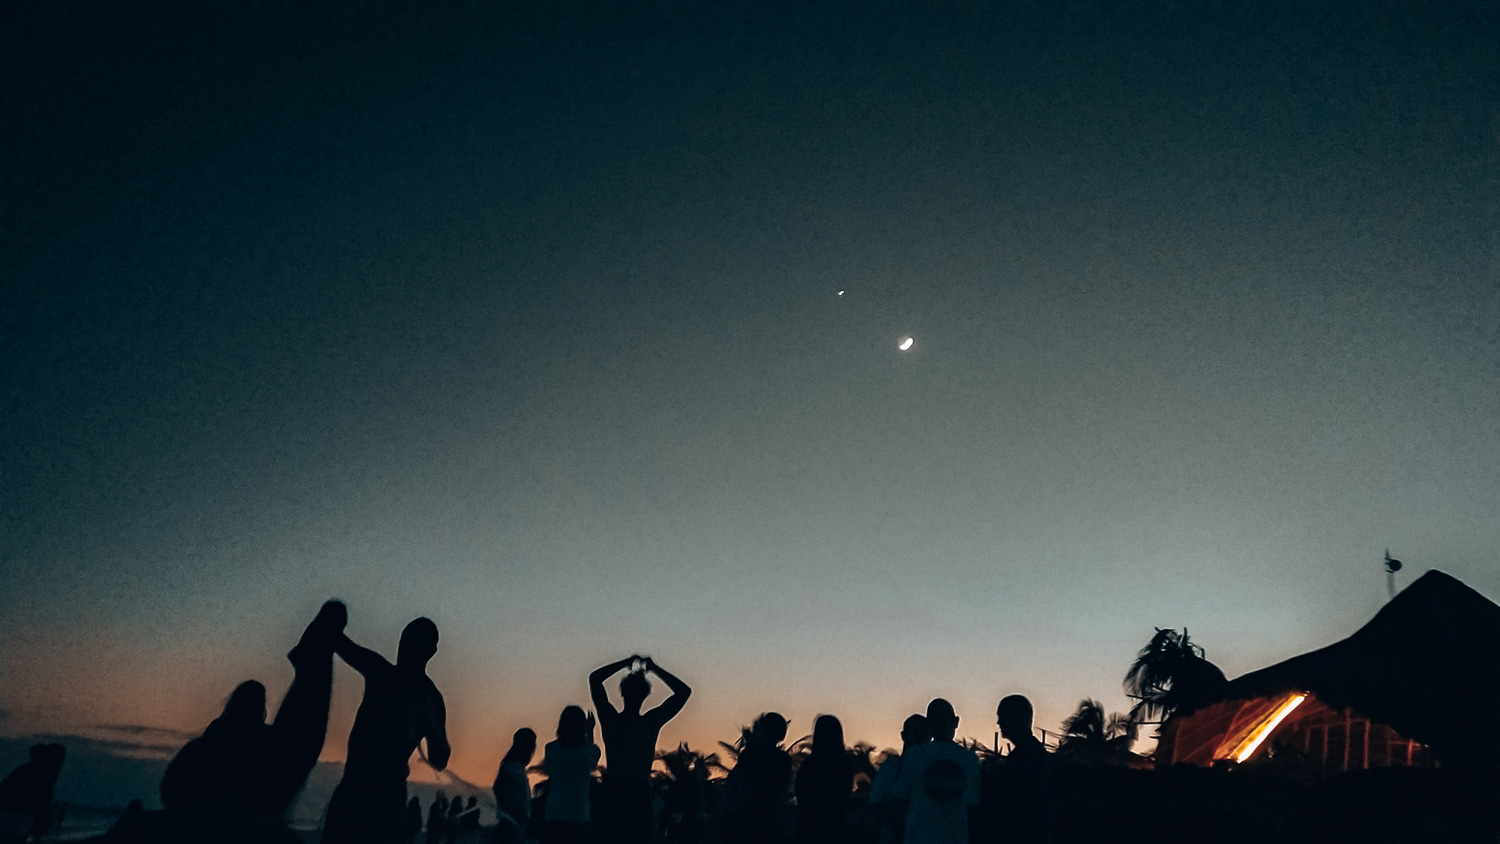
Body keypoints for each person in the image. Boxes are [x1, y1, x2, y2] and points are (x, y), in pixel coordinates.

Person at [321, 617, 450, 844]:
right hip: (353, 789)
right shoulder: (380, 671)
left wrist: (430, 723)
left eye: (416, 644)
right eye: (406, 641)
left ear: (431, 651)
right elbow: (340, 642)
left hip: (385, 800)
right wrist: (334, 615)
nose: (408, 649)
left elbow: (440, 760)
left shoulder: (429, 698)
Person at [588, 655, 691, 844]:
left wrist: (624, 663)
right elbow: (684, 692)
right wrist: (654, 668)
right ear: (645, 695)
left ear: (622, 693)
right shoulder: (649, 722)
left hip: (614, 791)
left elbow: (594, 678)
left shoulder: (611, 719)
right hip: (637, 793)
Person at [893, 699, 979, 844]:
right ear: (956, 722)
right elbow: (973, 805)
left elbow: (900, 796)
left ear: (928, 725)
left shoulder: (914, 755)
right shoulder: (969, 759)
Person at [987, 695, 1053, 844]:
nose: (999, 722)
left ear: (1018, 718)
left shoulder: (1026, 757)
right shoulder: (1031, 753)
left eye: (1002, 716)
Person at [720, 713, 791, 844]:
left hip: (746, 818)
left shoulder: (751, 755)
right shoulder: (782, 760)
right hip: (767, 819)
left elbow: (734, 785)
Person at [541, 706, 599, 844]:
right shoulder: (591, 751)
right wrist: (590, 731)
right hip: (579, 815)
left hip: (554, 814)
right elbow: (591, 762)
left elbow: (548, 770)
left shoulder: (551, 749)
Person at [869, 715, 929, 844]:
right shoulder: (889, 768)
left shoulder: (933, 770)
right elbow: (876, 805)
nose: (919, 738)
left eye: (924, 734)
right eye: (916, 733)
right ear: (903, 735)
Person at [793, 715, 853, 844]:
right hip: (834, 822)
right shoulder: (845, 763)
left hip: (809, 823)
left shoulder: (810, 763)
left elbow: (800, 790)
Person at [0, 743, 65, 844]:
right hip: (19, 818)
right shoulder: (45, 776)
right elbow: (42, 803)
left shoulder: (22, 771)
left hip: (10, 816)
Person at [492, 729, 536, 844]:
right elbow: (498, 787)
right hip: (513, 820)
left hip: (518, 820)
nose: (532, 749)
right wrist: (507, 812)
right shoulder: (512, 767)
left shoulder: (518, 767)